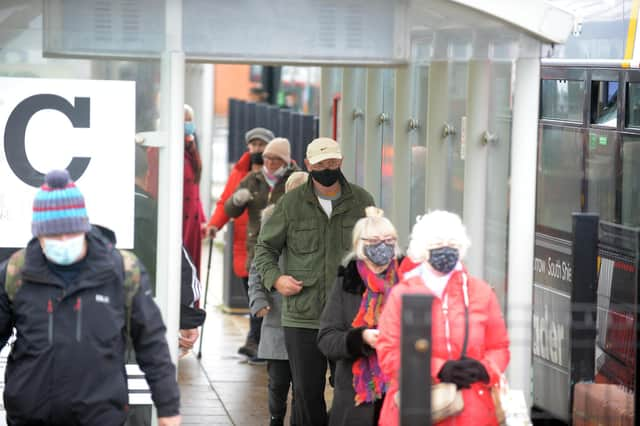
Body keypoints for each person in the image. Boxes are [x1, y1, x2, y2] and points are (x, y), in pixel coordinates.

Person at [0, 169, 181, 426]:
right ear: (38, 234)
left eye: (71, 232)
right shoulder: (17, 272)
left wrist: (168, 408)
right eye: (52, 235)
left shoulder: (121, 271)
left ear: (84, 227)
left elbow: (152, 345)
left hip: (100, 416)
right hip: (32, 416)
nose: (62, 240)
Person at [254, 137, 375, 426]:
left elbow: (375, 249)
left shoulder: (362, 201)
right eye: (321, 164)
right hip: (302, 317)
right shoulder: (292, 203)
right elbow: (265, 248)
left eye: (332, 162)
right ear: (308, 165)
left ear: (341, 162)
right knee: (307, 396)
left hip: (350, 318)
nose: (327, 168)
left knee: (352, 393)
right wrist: (276, 279)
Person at [376, 210, 510, 426]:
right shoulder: (402, 295)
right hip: (417, 409)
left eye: (452, 243)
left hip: (473, 411)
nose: (445, 249)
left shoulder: (481, 292)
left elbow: (499, 346)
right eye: (438, 243)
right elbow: (388, 353)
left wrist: (485, 368)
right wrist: (439, 369)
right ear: (423, 248)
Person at [317, 207, 402, 426]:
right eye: (375, 241)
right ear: (360, 245)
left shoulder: (409, 280)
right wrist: (360, 338)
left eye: (388, 240)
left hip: (401, 393)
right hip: (356, 398)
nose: (382, 246)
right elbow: (326, 338)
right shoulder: (347, 282)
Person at [205, 127, 275, 359]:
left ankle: (255, 340)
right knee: (251, 292)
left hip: (270, 245)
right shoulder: (239, 172)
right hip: (244, 245)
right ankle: (256, 338)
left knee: (262, 293)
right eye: (253, 144)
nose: (257, 149)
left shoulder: (279, 171)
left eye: (261, 144)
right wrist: (215, 224)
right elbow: (226, 201)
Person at [248, 171, 308, 426]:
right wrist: (258, 300)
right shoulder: (273, 221)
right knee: (278, 380)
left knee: (304, 382)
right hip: (277, 315)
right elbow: (258, 267)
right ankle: (275, 419)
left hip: (309, 318)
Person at [182, 104, 205, 275]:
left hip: (193, 221)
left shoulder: (191, 147)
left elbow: (195, 189)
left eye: (190, 120)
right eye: (185, 120)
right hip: (182, 222)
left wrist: (203, 218)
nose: (189, 124)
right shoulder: (174, 151)